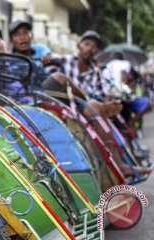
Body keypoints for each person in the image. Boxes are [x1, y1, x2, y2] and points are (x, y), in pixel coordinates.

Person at [44, 30, 152, 176]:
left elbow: (102, 94)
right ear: (79, 45)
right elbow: (50, 79)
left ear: (97, 51)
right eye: (87, 44)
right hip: (63, 104)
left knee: (103, 107)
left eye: (94, 47)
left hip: (85, 109)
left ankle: (122, 160)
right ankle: (120, 165)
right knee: (93, 105)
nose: (89, 48)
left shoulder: (95, 72)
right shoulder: (64, 60)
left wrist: (108, 103)